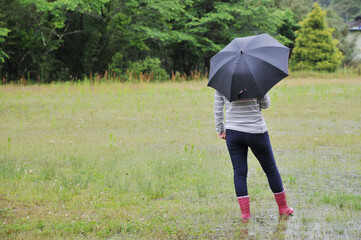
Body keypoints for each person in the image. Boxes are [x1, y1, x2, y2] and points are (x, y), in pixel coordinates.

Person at [214, 90, 294, 223]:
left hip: (233, 132)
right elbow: (265, 104)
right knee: (270, 169)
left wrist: (220, 128)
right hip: (256, 132)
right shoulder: (256, 79)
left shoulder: (223, 80)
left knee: (239, 173)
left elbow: (218, 107)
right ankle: (283, 208)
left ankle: (245, 214)